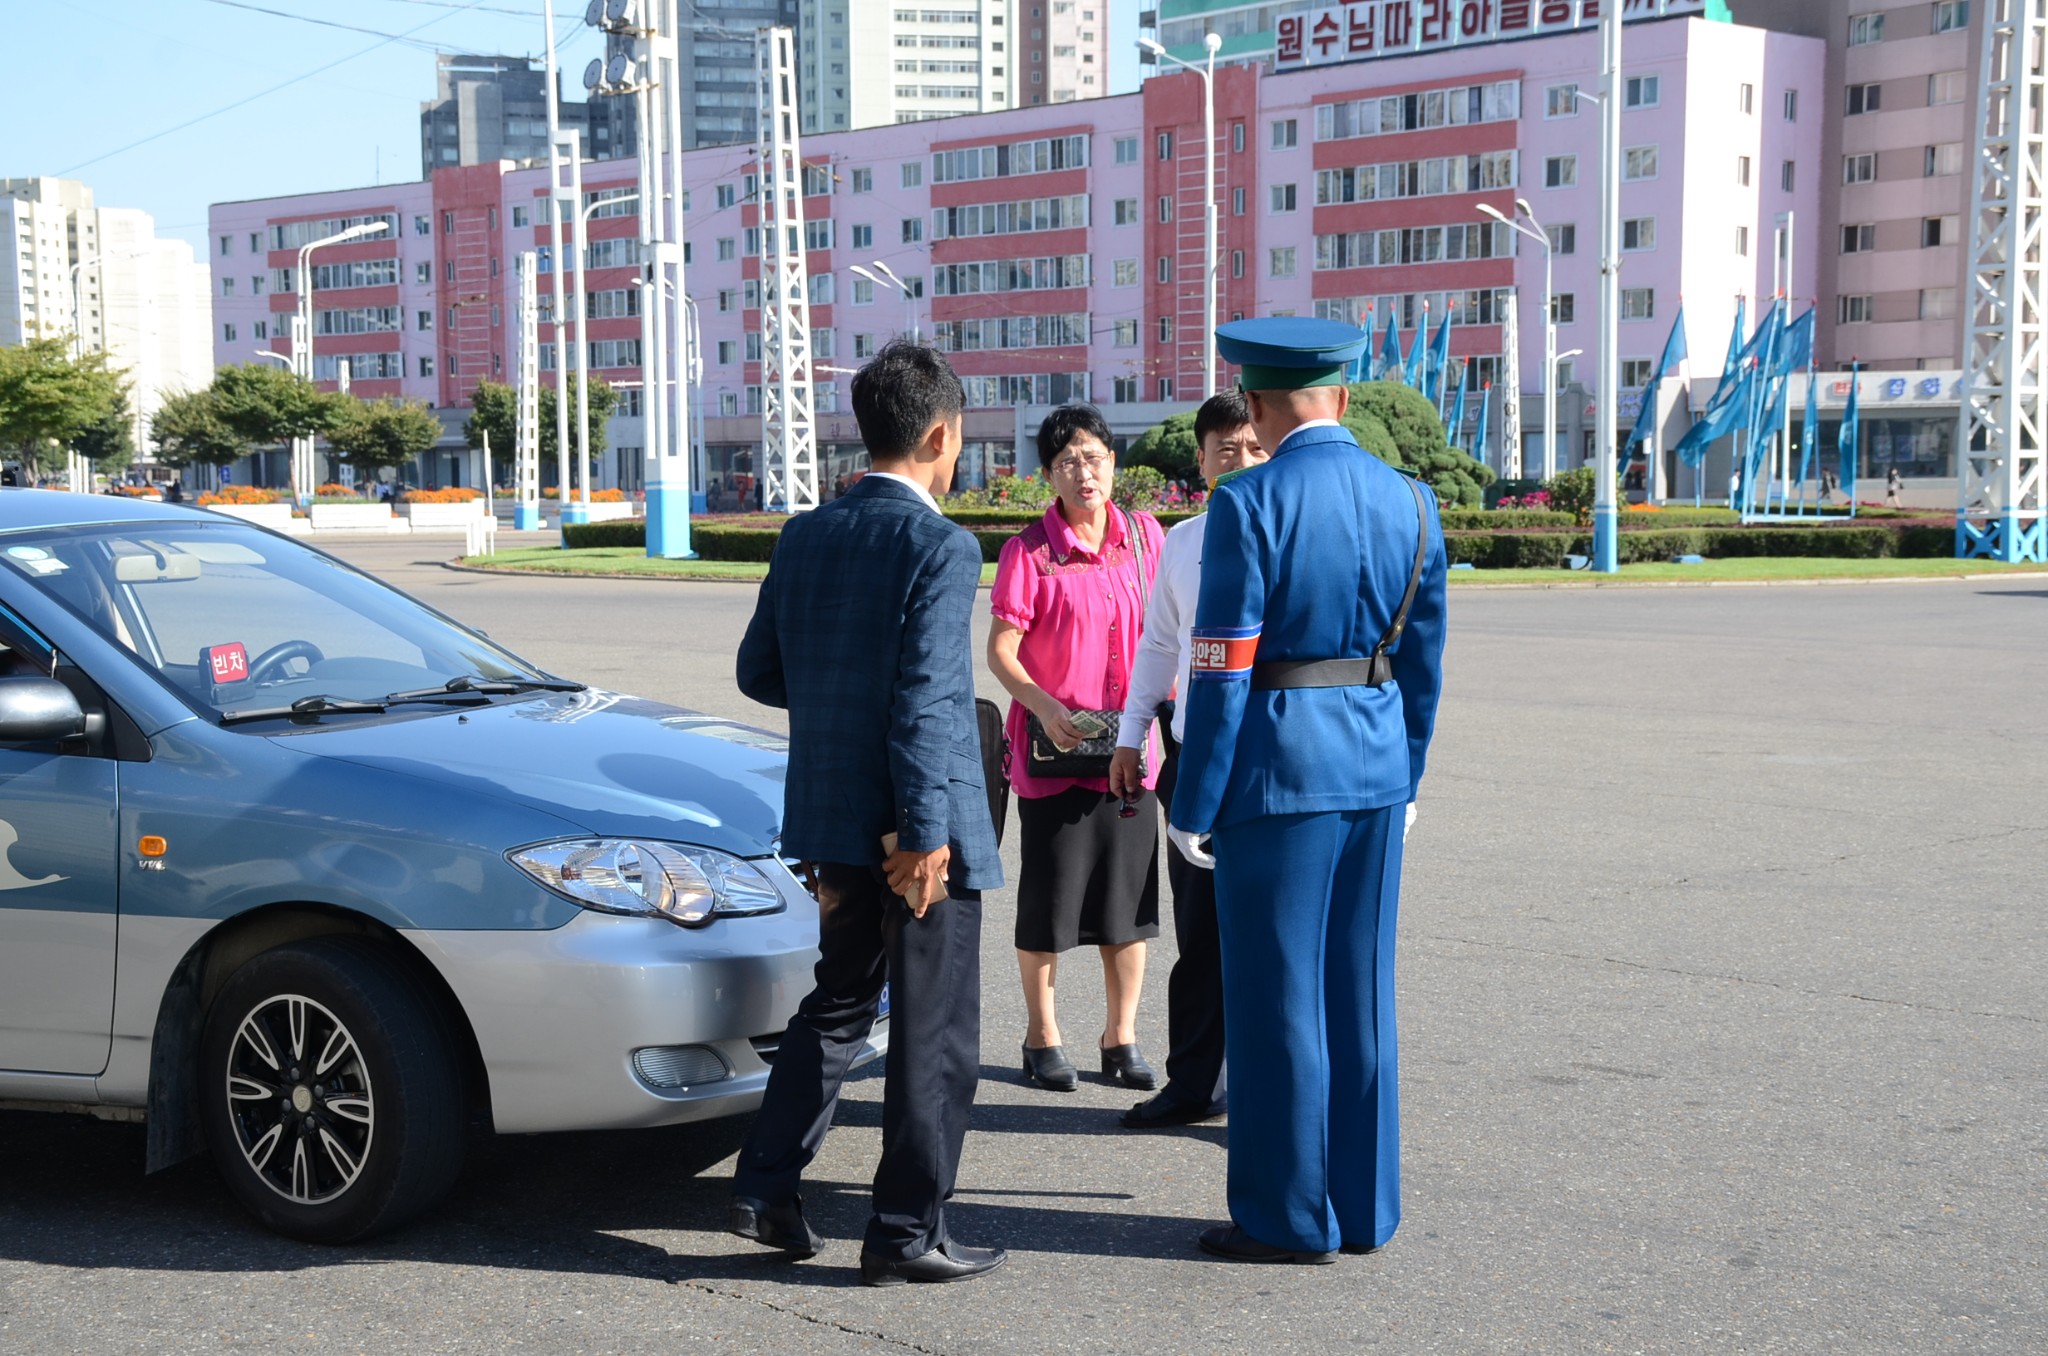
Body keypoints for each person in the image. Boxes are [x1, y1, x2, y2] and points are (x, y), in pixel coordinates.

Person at [727, 339, 1005, 1287]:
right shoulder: (941, 544)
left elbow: (759, 672)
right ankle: (903, 1231)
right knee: (935, 1032)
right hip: (918, 835)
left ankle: (765, 1186)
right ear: (939, 434)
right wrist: (924, 833)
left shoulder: (808, 532)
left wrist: (841, 705)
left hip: (831, 823)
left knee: (840, 1004)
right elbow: (929, 697)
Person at [1171, 317, 1447, 1265]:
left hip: (1278, 775)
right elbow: (1424, 659)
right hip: (1373, 770)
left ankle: (1287, 1219)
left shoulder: (1248, 504)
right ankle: (1366, 1210)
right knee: (1361, 994)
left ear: (1254, 403)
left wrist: (1194, 801)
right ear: (1344, 394)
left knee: (1278, 999)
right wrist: (1403, 772)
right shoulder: (1414, 502)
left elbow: (1221, 672)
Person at [987, 404, 1166, 1094]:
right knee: (1051, 905)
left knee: (1128, 909)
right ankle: (1042, 1036)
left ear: (1113, 463)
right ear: (1049, 475)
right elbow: (1002, 651)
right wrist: (1046, 707)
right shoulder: (1029, 552)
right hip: (1055, 750)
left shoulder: (1147, 539)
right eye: (1067, 461)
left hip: (1130, 750)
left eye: (1093, 456)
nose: (1083, 471)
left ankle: (1121, 1037)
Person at [1108, 391, 1268, 1130]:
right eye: (1223, 448)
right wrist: (1129, 734)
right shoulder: (1184, 541)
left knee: (1270, 935)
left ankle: (1267, 1090)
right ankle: (1192, 1084)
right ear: (1200, 459)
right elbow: (1159, 646)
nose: (1238, 459)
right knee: (1198, 934)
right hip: (1196, 757)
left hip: (1270, 760)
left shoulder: (1285, 531)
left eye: (1251, 445)